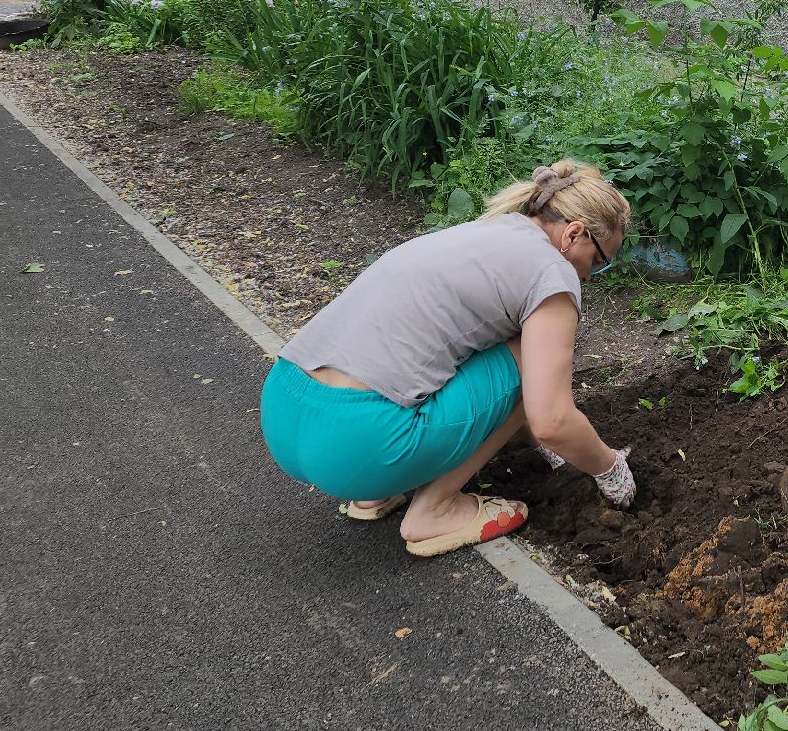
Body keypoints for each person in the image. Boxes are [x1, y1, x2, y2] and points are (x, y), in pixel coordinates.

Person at [258, 161, 636, 558]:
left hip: (284, 408)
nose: (592, 276)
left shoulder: (487, 231)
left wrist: (540, 443)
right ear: (574, 233)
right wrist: (608, 467)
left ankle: (372, 497)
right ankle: (433, 511)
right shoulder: (551, 273)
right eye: (598, 261)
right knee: (528, 359)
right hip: (358, 446)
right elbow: (552, 418)